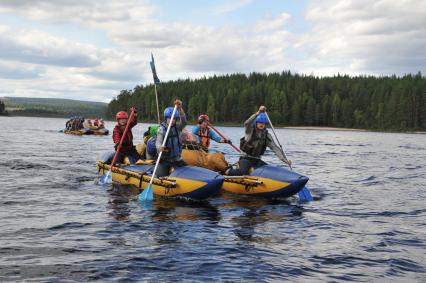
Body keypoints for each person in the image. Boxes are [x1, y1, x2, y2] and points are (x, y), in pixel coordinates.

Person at [226, 105, 292, 175]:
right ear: (256, 123)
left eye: (263, 123)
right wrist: (258, 112)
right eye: (260, 122)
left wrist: (285, 160)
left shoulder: (266, 135)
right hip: (245, 159)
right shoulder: (249, 131)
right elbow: (247, 123)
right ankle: (228, 171)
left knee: (270, 170)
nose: (261, 124)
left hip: (257, 160)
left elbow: (274, 148)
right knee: (243, 172)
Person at [155, 99, 187, 177]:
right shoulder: (162, 129)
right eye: (170, 118)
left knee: (186, 171)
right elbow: (158, 142)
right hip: (164, 160)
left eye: (174, 119)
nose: (172, 120)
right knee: (160, 175)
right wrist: (159, 147)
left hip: (177, 158)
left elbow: (184, 122)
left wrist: (180, 109)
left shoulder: (177, 127)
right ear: (166, 118)